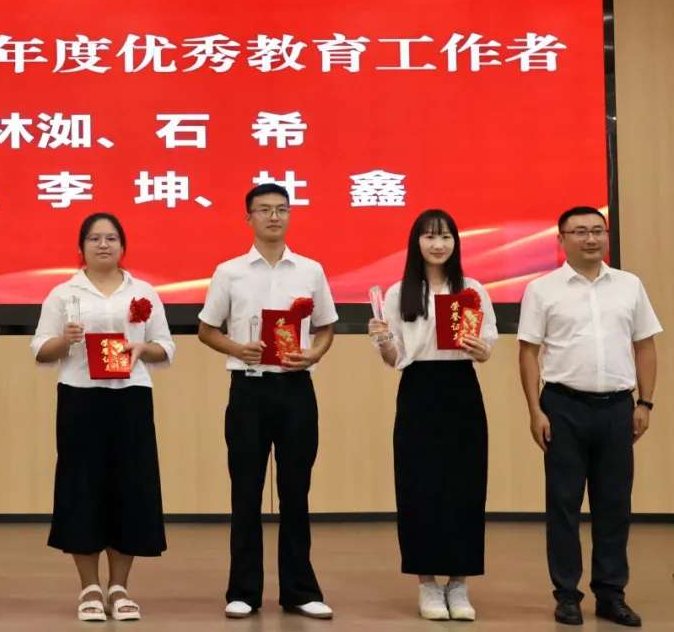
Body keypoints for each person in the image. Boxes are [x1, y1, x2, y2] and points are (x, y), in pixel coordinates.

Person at [197, 183, 337, 619]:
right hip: (249, 389)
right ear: (249, 218)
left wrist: (314, 354)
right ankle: (243, 590)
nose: (274, 217)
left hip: (296, 389)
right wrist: (237, 349)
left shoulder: (310, 270)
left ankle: (300, 590)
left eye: (281, 209)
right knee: (246, 491)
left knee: (296, 491)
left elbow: (326, 327)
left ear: (290, 215)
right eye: (264, 210)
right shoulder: (229, 272)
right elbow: (207, 330)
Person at [518, 206, 660, 628]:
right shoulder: (542, 289)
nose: (591, 238)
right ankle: (567, 596)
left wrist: (645, 403)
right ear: (561, 239)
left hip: (617, 408)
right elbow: (528, 352)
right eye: (579, 231)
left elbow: (645, 346)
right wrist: (535, 410)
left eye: (598, 230)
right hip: (563, 407)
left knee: (614, 505)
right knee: (563, 505)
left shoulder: (629, 286)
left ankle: (611, 594)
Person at [31, 212, 174, 622]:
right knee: (82, 488)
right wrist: (65, 340)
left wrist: (142, 350)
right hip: (80, 397)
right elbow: (40, 350)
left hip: (131, 397)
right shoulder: (63, 293)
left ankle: (120, 587)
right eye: (94, 238)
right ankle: (90, 588)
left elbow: (165, 346)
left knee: (130, 487)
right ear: (81, 247)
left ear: (123, 246)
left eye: (111, 238)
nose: (103, 245)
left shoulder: (143, 291)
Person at [368, 209, 496, 621]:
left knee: (465, 486)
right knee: (418, 486)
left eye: (445, 237)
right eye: (429, 237)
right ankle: (426, 584)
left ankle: (459, 584)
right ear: (416, 243)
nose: (438, 244)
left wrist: (481, 349)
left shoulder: (472, 289)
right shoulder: (398, 292)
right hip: (418, 390)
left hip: (461, 389)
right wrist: (382, 340)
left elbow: (487, 346)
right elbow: (395, 359)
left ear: (456, 242)